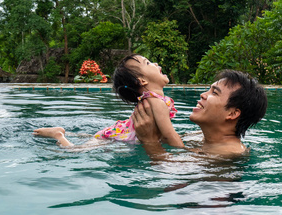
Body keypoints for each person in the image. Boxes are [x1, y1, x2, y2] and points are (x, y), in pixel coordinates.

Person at [33, 54, 184, 149]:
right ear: (142, 80)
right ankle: (59, 135)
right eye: (148, 63)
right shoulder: (157, 102)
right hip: (121, 135)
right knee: (76, 150)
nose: (156, 64)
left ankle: (72, 133)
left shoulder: (153, 100)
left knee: (98, 139)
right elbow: (170, 136)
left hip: (120, 132)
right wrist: (185, 152)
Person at [132, 70, 267, 157]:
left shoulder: (228, 154)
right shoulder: (198, 137)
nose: (203, 95)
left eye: (214, 93)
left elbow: (172, 173)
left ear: (232, 113)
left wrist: (149, 141)